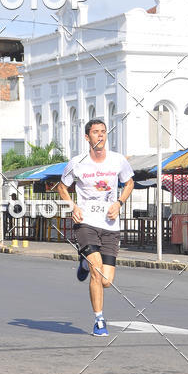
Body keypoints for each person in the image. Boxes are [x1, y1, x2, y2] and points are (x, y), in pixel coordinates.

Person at [57, 119, 134, 336]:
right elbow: (62, 187)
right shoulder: (77, 162)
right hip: (86, 222)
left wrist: (119, 203)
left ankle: (83, 263)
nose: (100, 135)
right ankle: (99, 320)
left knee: (107, 281)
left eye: (103, 132)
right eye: (95, 132)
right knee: (97, 272)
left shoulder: (118, 160)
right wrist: (72, 206)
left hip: (110, 224)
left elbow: (129, 183)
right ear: (86, 137)